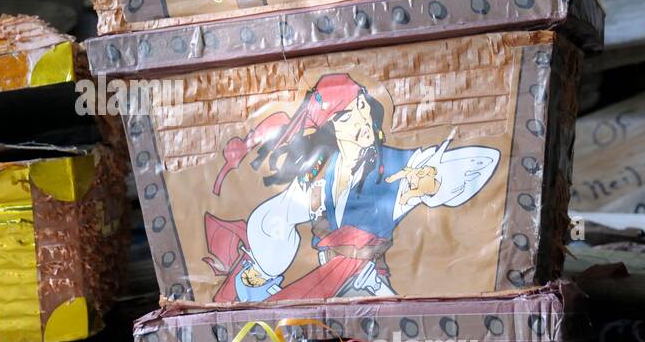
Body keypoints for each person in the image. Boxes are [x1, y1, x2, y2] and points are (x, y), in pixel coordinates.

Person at [204, 72, 500, 302]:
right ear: (330, 128)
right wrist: (266, 267)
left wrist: (433, 181)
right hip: (327, 290)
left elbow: (477, 164)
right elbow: (274, 217)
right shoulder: (319, 174)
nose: (361, 118)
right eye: (346, 116)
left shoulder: (396, 165)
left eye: (361, 104)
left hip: (366, 286)